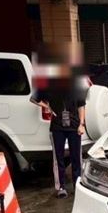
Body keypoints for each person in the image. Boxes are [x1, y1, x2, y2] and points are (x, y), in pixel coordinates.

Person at [31, 43, 87, 198]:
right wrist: (46, 106)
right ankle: (61, 186)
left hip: (75, 126)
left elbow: (82, 105)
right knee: (59, 158)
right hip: (57, 127)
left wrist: (82, 124)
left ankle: (78, 185)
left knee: (77, 158)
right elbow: (33, 98)